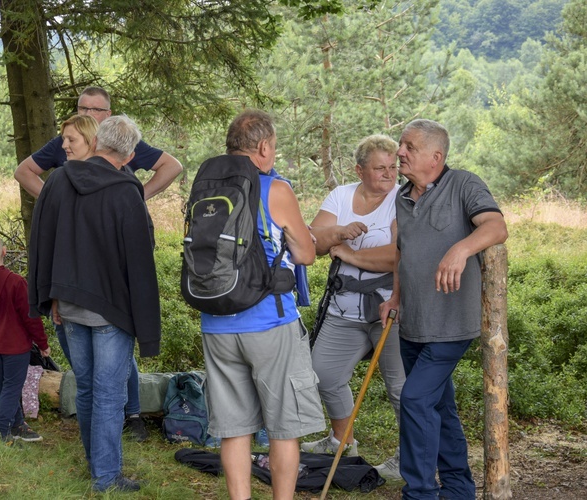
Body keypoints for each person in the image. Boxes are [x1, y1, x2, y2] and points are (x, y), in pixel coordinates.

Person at [14, 86, 180, 441]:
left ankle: (130, 415)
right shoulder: (66, 150)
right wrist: (54, 202)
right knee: (95, 380)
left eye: (98, 109)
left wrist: (137, 192)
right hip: (73, 283)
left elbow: (172, 166)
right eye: (83, 107)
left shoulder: (119, 146)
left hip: (109, 281)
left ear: (108, 116)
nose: (90, 113)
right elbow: (24, 172)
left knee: (113, 360)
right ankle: (105, 455)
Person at [28, 115, 161, 492]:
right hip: (111, 309)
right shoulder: (126, 189)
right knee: (108, 392)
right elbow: (139, 257)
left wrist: (47, 294)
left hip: (67, 303)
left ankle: (97, 464)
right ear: (130, 153)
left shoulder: (57, 180)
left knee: (87, 388)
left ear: (98, 140)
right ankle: (106, 477)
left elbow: (42, 241)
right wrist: (145, 322)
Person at [379, 119, 508, 499]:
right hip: (412, 324)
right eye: (401, 145)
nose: (399, 152)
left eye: (409, 147)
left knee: (416, 400)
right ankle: (458, 489)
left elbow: (496, 226)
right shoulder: (402, 196)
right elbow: (404, 256)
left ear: (435, 157)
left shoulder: (463, 184)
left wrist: (461, 248)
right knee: (441, 410)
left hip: (451, 325)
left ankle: (419, 493)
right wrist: (396, 298)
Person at [199, 110, 324, 500]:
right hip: (270, 322)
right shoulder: (275, 188)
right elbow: (305, 254)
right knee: (284, 427)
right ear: (264, 147)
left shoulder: (204, 186)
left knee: (235, 427)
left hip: (216, 321)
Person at [303, 135, 405, 479]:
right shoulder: (341, 195)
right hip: (342, 307)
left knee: (401, 387)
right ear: (359, 169)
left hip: (388, 307)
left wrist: (350, 253)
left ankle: (409, 458)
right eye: (380, 168)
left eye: (393, 167)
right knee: (324, 374)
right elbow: (313, 242)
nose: (389, 174)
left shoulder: (400, 200)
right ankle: (342, 441)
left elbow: (397, 255)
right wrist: (339, 231)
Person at [0, 227, 50, 445]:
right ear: (4, 251)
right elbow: (30, 317)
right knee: (11, 391)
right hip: (16, 348)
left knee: (6, 388)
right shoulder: (16, 283)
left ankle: (17, 425)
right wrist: (42, 343)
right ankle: (1, 433)